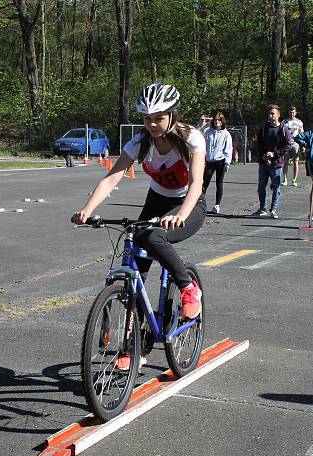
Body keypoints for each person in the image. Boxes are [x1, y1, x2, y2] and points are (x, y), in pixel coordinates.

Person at [71, 82, 206, 371]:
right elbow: (111, 178)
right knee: (136, 271)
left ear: (172, 115)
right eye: (147, 119)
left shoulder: (192, 139)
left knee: (151, 236)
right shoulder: (139, 143)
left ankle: (187, 286)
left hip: (189, 204)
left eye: (158, 118)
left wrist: (181, 213)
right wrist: (87, 210)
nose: (153, 124)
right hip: (157, 202)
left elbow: (196, 184)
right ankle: (136, 346)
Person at [252, 104, 293, 218]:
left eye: (272, 113)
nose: (270, 116)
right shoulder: (264, 128)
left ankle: (273, 209)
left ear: (278, 115)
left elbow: (288, 145)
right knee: (261, 187)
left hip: (276, 164)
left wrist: (274, 154)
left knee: (276, 187)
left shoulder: (283, 129)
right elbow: (259, 143)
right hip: (264, 163)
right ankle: (262, 208)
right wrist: (263, 155)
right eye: (269, 114)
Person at [202, 112, 233, 215]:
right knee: (204, 183)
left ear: (222, 121)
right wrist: (204, 123)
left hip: (220, 161)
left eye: (219, 120)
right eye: (215, 120)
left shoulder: (226, 134)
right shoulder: (208, 131)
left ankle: (217, 205)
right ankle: (199, 202)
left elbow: (228, 149)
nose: (217, 122)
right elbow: (200, 136)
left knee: (219, 183)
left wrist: (227, 163)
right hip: (209, 161)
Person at [281, 106, 304, 187]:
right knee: (285, 162)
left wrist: (303, 145)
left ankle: (294, 180)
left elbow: (302, 134)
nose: (292, 113)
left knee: (295, 161)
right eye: (290, 112)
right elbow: (281, 132)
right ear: (288, 112)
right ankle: (285, 179)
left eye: (293, 112)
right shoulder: (284, 121)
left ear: (296, 113)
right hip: (286, 143)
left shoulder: (299, 122)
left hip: (296, 143)